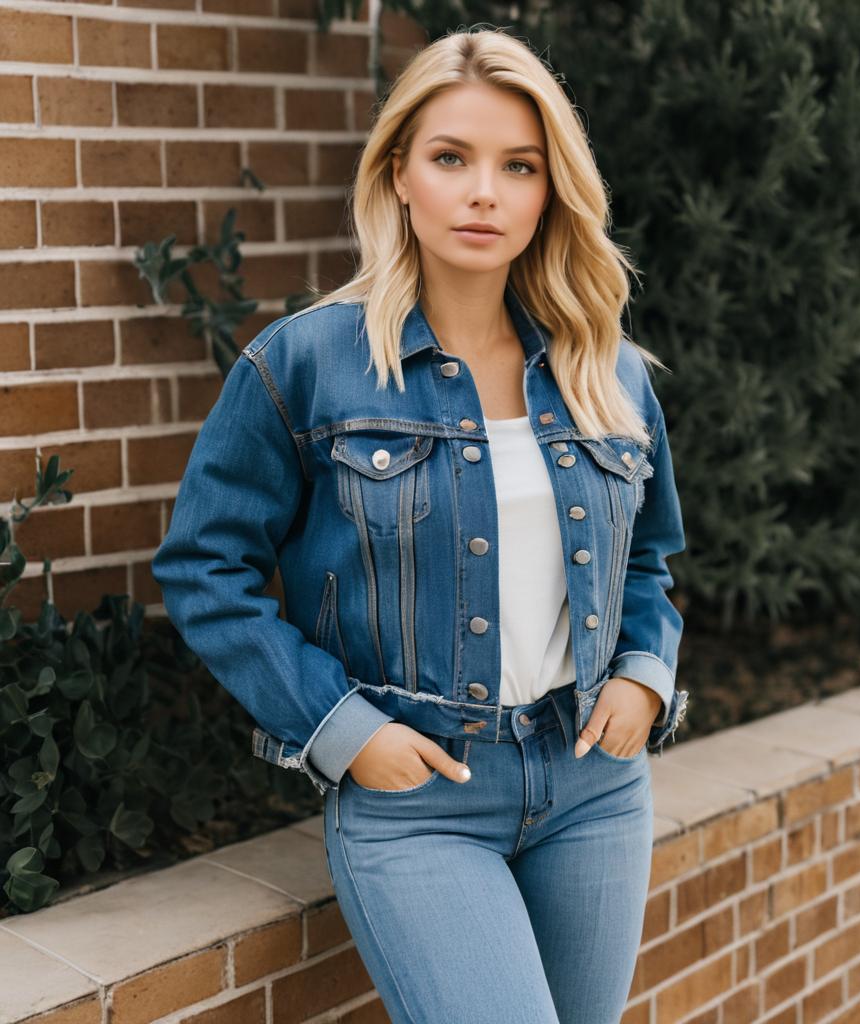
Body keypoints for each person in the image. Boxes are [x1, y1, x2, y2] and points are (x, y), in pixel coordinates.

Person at [152, 26, 688, 1024]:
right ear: (399, 173)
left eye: (518, 166)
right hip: (419, 802)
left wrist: (644, 676)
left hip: (596, 787)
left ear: (548, 190)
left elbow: (649, 560)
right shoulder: (303, 363)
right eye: (452, 158)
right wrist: (339, 729)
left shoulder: (607, 370)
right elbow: (204, 569)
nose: (484, 191)